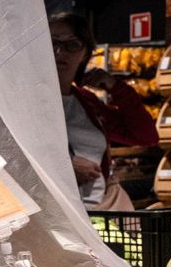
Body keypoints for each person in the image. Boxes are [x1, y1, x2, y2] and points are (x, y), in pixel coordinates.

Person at [50, 12, 158, 210]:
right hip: (53, 214)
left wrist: (117, 88)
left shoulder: (86, 101)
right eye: (52, 42)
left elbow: (145, 136)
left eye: (72, 44)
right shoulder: (26, 100)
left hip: (97, 213)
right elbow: (11, 151)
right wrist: (64, 165)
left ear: (85, 54)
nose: (59, 52)